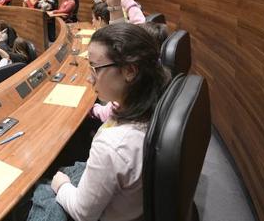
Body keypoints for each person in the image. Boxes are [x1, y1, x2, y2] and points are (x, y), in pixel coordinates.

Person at [30, 23, 170, 221]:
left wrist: (61, 185)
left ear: (130, 71)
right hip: (130, 205)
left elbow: (82, 213)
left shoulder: (113, 145)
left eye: (95, 68)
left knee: (39, 189)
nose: (89, 78)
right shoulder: (152, 96)